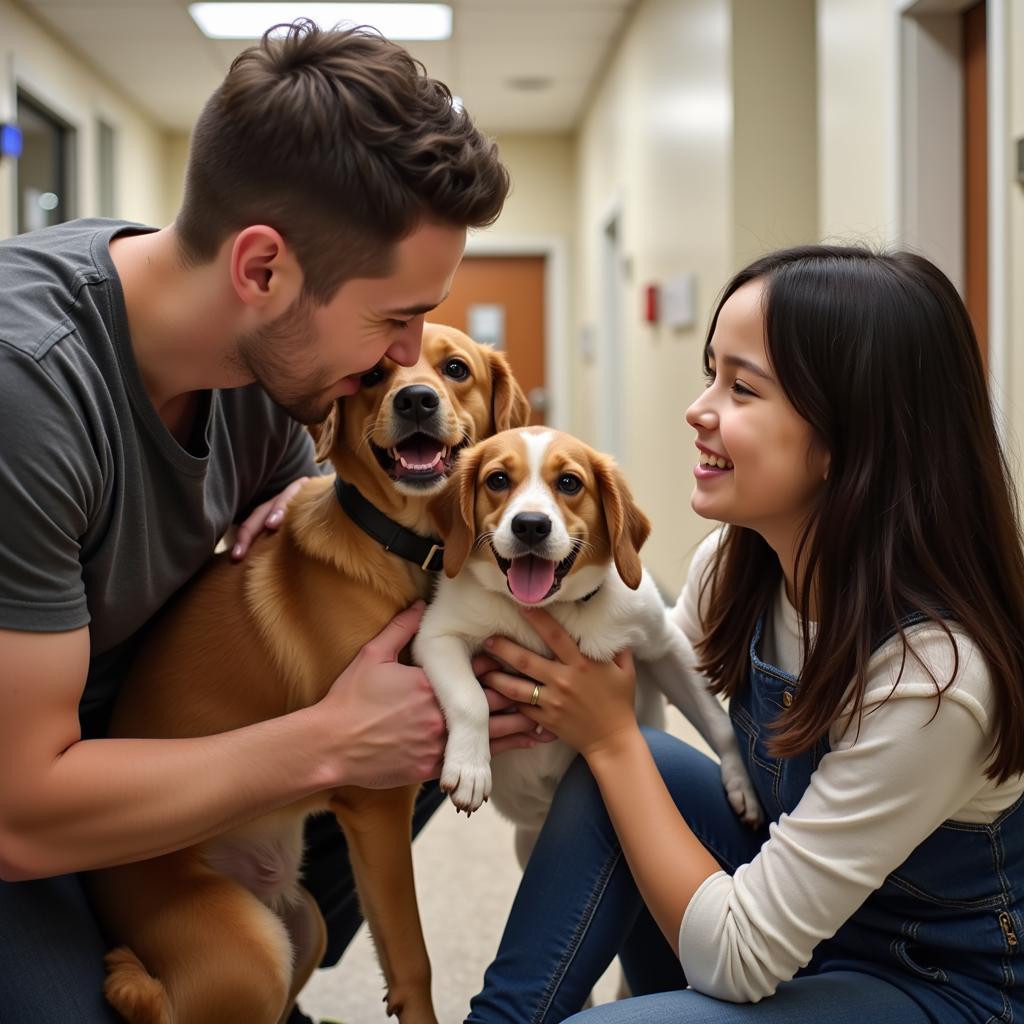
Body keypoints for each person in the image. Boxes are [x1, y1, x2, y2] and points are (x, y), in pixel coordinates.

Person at [0, 20, 544, 1024]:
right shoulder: (26, 392)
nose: (408, 355)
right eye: (394, 318)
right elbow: (21, 812)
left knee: (430, 700)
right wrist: (327, 744)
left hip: (121, 737)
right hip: (26, 797)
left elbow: (320, 524)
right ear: (261, 270)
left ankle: (230, 950)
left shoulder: (269, 364)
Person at [471, 245, 1024, 1023]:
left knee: (624, 763)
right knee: (642, 768)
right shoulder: (735, 563)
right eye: (710, 375)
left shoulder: (935, 677)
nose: (699, 410)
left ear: (844, 437)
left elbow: (735, 959)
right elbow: (613, 666)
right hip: (794, 921)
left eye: (741, 388)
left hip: (932, 983)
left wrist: (609, 740)